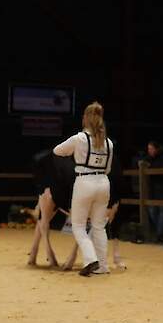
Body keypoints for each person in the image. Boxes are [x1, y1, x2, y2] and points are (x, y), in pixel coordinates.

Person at [54, 102, 114, 276]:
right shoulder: (108, 143)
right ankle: (103, 266)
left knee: (78, 226)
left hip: (84, 182)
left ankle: (90, 259)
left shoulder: (79, 138)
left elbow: (57, 151)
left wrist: (74, 154)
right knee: (99, 226)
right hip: (103, 182)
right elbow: (108, 168)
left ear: (86, 118)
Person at [142, 140, 163, 242]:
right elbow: (143, 162)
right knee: (152, 210)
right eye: (148, 149)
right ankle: (160, 232)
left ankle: (160, 234)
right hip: (153, 190)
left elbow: (162, 169)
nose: (149, 151)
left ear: (156, 149)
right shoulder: (149, 158)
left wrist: (150, 166)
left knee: (162, 211)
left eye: (151, 149)